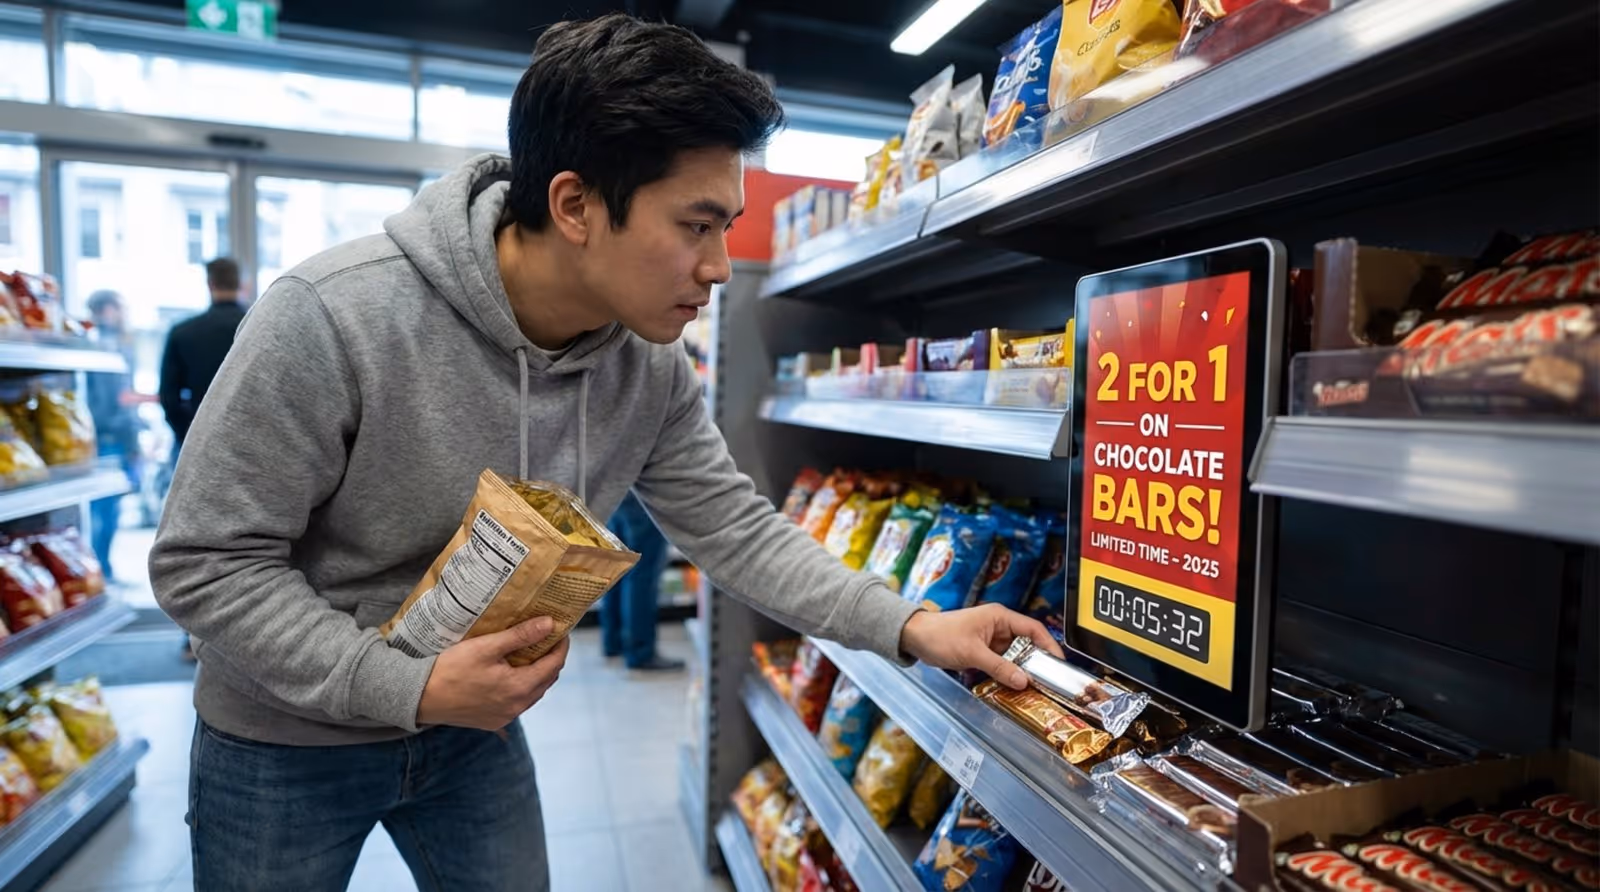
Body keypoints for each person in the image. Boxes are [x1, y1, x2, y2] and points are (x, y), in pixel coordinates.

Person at [149, 15, 1061, 892]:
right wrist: (408, 684)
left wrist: (912, 624)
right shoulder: (333, 317)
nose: (720, 267)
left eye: (726, 227)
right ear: (575, 205)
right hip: (282, 738)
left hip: (473, 728)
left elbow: (734, 528)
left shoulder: (647, 367)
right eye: (695, 226)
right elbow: (206, 563)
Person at [157, 257, 246, 449]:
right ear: (240, 283)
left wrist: (189, 434)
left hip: (200, 441)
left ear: (210, 283)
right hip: (252, 441)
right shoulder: (259, 328)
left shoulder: (183, 332)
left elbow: (169, 397)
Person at [84, 291, 140, 580]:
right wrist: (131, 440)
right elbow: (117, 401)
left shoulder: (97, 343)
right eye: (120, 307)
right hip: (110, 439)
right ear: (107, 310)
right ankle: (100, 572)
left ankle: (98, 571)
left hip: (100, 437)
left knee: (102, 510)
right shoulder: (109, 348)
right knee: (105, 511)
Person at [601, 491, 684, 671]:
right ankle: (641, 652)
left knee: (619, 565)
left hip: (619, 489)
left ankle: (613, 641)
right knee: (643, 571)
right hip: (642, 492)